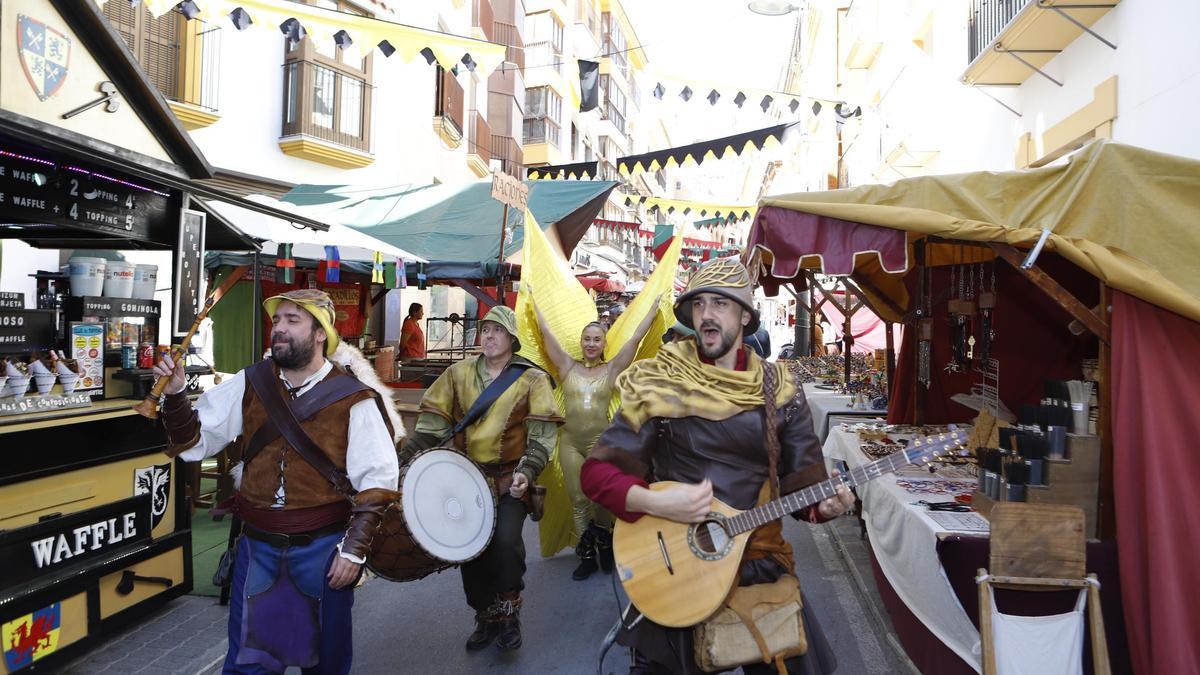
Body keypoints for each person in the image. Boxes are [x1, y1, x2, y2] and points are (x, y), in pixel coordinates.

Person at [580, 258, 855, 675]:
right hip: (676, 562)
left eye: (720, 304)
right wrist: (659, 504)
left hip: (758, 560)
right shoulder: (661, 380)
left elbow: (804, 490)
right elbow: (596, 475)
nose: (706, 314)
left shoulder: (781, 389)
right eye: (699, 304)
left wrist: (825, 507)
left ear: (745, 315)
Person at [154, 289, 402, 674]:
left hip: (322, 553)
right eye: (277, 321)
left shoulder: (353, 397)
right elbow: (194, 440)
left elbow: (378, 481)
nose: (279, 330)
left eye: (292, 321)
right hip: (258, 551)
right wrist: (175, 396)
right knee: (248, 664)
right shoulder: (251, 383)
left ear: (320, 333)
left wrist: (352, 552)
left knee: (325, 664)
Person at [397, 305, 562, 653]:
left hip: (510, 480)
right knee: (468, 552)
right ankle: (484, 616)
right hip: (463, 479)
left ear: (512, 340)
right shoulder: (457, 374)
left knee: (504, 544)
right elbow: (432, 426)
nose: (488, 336)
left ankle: (508, 612)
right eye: (484, 330)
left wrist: (527, 473)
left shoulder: (532, 379)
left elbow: (542, 436)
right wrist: (402, 461)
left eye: (497, 330)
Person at [530, 293, 663, 580]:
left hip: (600, 446)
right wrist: (534, 299)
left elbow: (636, 339)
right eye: (587, 339)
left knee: (603, 499)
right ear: (581, 342)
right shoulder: (566, 366)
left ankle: (604, 541)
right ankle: (585, 553)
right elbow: (546, 333)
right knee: (578, 499)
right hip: (570, 443)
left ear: (604, 344)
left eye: (596, 339)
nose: (591, 344)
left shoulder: (613, 368)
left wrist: (653, 310)